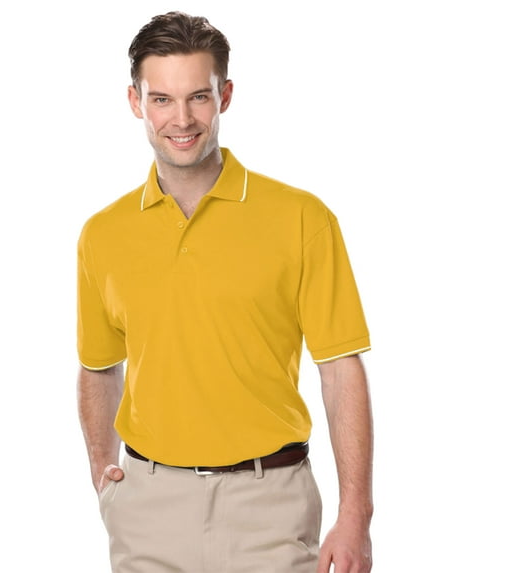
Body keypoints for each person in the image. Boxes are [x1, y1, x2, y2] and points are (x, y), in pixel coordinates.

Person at [77, 11, 373, 573]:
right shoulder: (103, 234)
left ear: (225, 96)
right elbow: (98, 366)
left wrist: (356, 513)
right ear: (136, 102)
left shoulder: (302, 219)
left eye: (199, 97)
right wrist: (102, 475)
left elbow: (339, 369)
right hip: (147, 510)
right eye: (161, 99)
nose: (182, 119)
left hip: (272, 507)